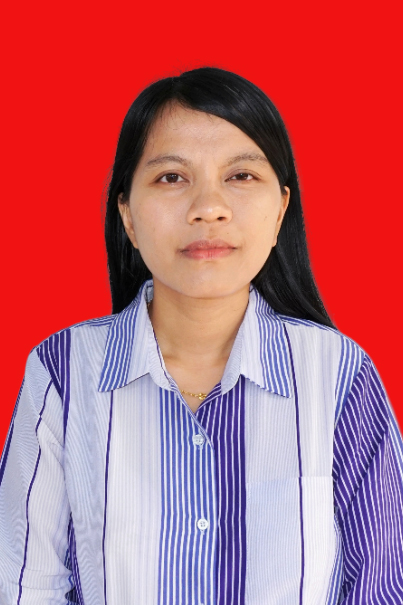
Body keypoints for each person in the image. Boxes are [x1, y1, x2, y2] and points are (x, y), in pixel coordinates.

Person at [0, 67, 402, 605]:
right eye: (171, 177)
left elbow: (384, 586)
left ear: (281, 210)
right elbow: (25, 586)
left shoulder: (338, 375)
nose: (208, 207)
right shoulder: (62, 372)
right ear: (127, 215)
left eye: (241, 176)